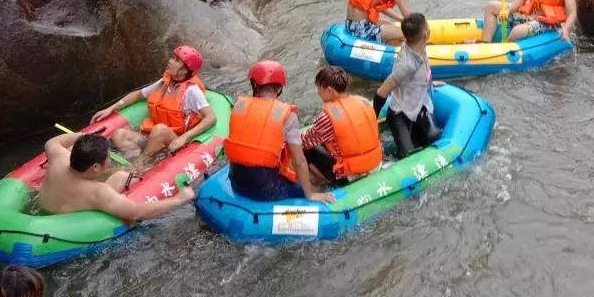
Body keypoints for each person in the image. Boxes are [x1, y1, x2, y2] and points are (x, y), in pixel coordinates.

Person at [223, 61, 336, 204]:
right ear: (279, 88)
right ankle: (319, 190)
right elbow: (299, 161)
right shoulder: (288, 115)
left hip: (237, 182)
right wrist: (310, 194)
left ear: (254, 84)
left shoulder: (239, 106)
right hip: (266, 189)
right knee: (315, 186)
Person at [91, 46, 215, 162]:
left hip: (173, 140)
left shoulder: (192, 91)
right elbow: (138, 94)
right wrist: (111, 108)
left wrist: (185, 137)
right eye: (173, 57)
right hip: (151, 136)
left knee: (160, 130)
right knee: (119, 135)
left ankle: (139, 166)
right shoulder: (164, 82)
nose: (170, 61)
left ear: (184, 70)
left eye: (176, 60)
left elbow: (211, 117)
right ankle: (139, 160)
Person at [38, 132, 198, 219]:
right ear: (95, 167)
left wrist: (84, 138)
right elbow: (136, 212)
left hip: (44, 211)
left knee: (119, 174)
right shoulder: (97, 192)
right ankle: (141, 168)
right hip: (70, 224)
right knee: (123, 176)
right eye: (107, 158)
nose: (109, 160)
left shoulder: (58, 158)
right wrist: (179, 199)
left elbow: (50, 142)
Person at [300, 66, 383, 186]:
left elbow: (304, 142)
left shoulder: (325, 118)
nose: (317, 92)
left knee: (307, 149)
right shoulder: (364, 102)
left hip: (350, 174)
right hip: (375, 162)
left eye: (319, 88)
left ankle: (325, 183)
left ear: (329, 90)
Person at [373, 13, 438, 158]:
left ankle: (412, 135)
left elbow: (425, 67)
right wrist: (373, 121)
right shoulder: (406, 65)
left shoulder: (417, 45)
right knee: (408, 155)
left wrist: (430, 82)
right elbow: (383, 91)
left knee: (433, 137)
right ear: (425, 34)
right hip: (400, 114)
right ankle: (390, 147)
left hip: (420, 106)